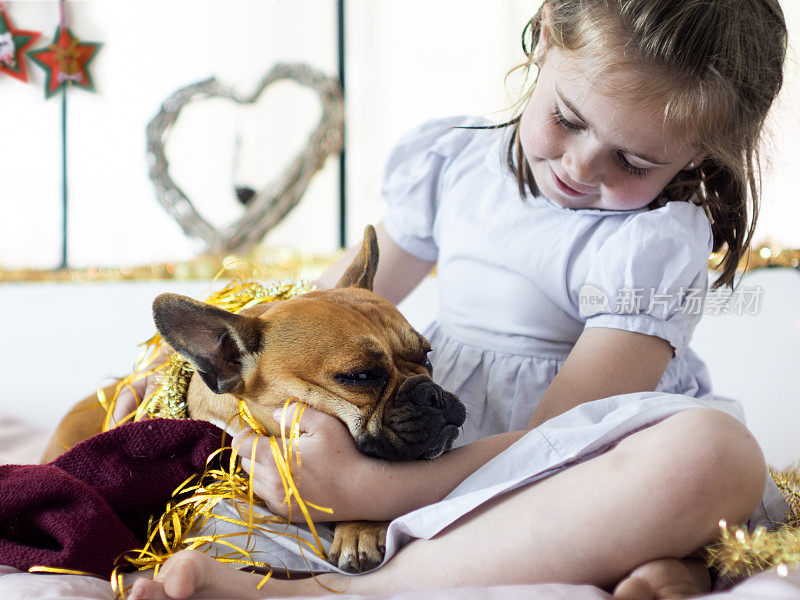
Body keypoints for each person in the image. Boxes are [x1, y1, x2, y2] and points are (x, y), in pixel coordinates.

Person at [127, 1, 788, 598]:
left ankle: (341, 592)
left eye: (635, 163)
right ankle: (649, 564)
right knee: (283, 442)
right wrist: (170, 375)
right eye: (567, 119)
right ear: (546, 37)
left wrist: (364, 493)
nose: (583, 168)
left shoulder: (651, 242)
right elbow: (319, 316)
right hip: (418, 439)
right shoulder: (452, 164)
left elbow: (558, 446)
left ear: (698, 158)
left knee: (714, 456)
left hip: (547, 474)